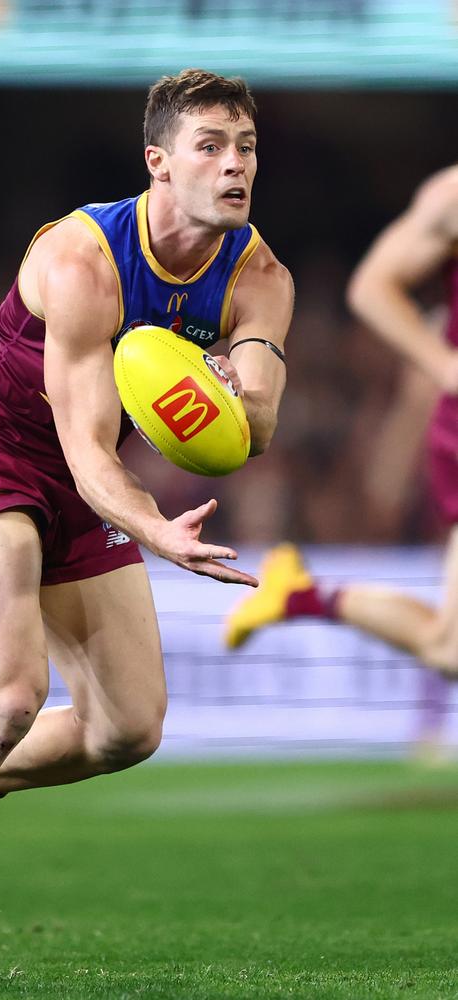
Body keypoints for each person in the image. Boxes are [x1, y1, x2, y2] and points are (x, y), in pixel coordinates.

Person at [0, 68, 294, 980]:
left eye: (245, 147)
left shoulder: (259, 278)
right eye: (209, 147)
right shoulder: (81, 260)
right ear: (158, 164)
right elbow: (92, 450)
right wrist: (161, 531)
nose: (233, 166)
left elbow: (256, 433)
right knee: (10, 699)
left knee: (127, 731)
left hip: (81, 477)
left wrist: (233, 397)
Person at [225, 166, 458, 683]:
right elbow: (373, 287)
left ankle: (300, 595)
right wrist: (444, 366)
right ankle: (300, 595)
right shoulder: (452, 196)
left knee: (451, 650)